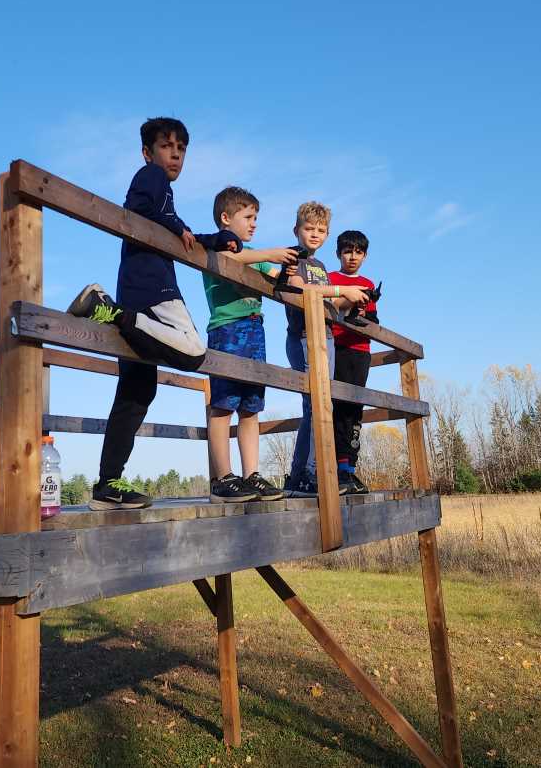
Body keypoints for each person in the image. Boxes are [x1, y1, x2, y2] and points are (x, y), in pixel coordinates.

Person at [67, 117, 240, 510]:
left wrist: (213, 240)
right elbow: (140, 208)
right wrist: (177, 224)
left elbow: (175, 233)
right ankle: (108, 311)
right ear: (148, 152)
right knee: (194, 351)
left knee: (136, 392)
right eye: (166, 146)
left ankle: (107, 485)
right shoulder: (151, 177)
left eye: (181, 148)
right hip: (154, 292)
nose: (175, 153)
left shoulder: (161, 196)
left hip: (135, 290)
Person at [201, 186, 299, 503]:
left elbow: (275, 274)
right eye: (248, 216)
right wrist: (270, 253)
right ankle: (223, 477)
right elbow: (233, 257)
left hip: (256, 331)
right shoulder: (219, 247)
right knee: (223, 404)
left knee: (250, 407)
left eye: (256, 217)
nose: (254, 223)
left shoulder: (255, 255)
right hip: (228, 331)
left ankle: (251, 475)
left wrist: (291, 269)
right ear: (225, 218)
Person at [282, 202, 370, 496]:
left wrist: (351, 300)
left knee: (324, 405)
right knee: (314, 406)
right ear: (297, 230)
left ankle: (309, 472)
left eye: (321, 230)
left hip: (327, 337)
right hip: (305, 336)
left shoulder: (320, 267)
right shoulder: (294, 258)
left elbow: (330, 305)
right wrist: (340, 290)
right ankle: (303, 475)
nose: (315, 234)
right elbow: (297, 288)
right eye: (309, 229)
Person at [328, 230, 376, 494]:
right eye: (347, 251)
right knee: (338, 407)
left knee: (355, 410)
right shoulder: (331, 279)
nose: (352, 257)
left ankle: (350, 470)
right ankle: (336, 467)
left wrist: (364, 308)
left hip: (361, 351)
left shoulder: (368, 283)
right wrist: (350, 298)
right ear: (338, 254)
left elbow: (373, 322)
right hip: (338, 348)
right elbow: (329, 310)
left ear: (365, 255)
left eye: (358, 252)